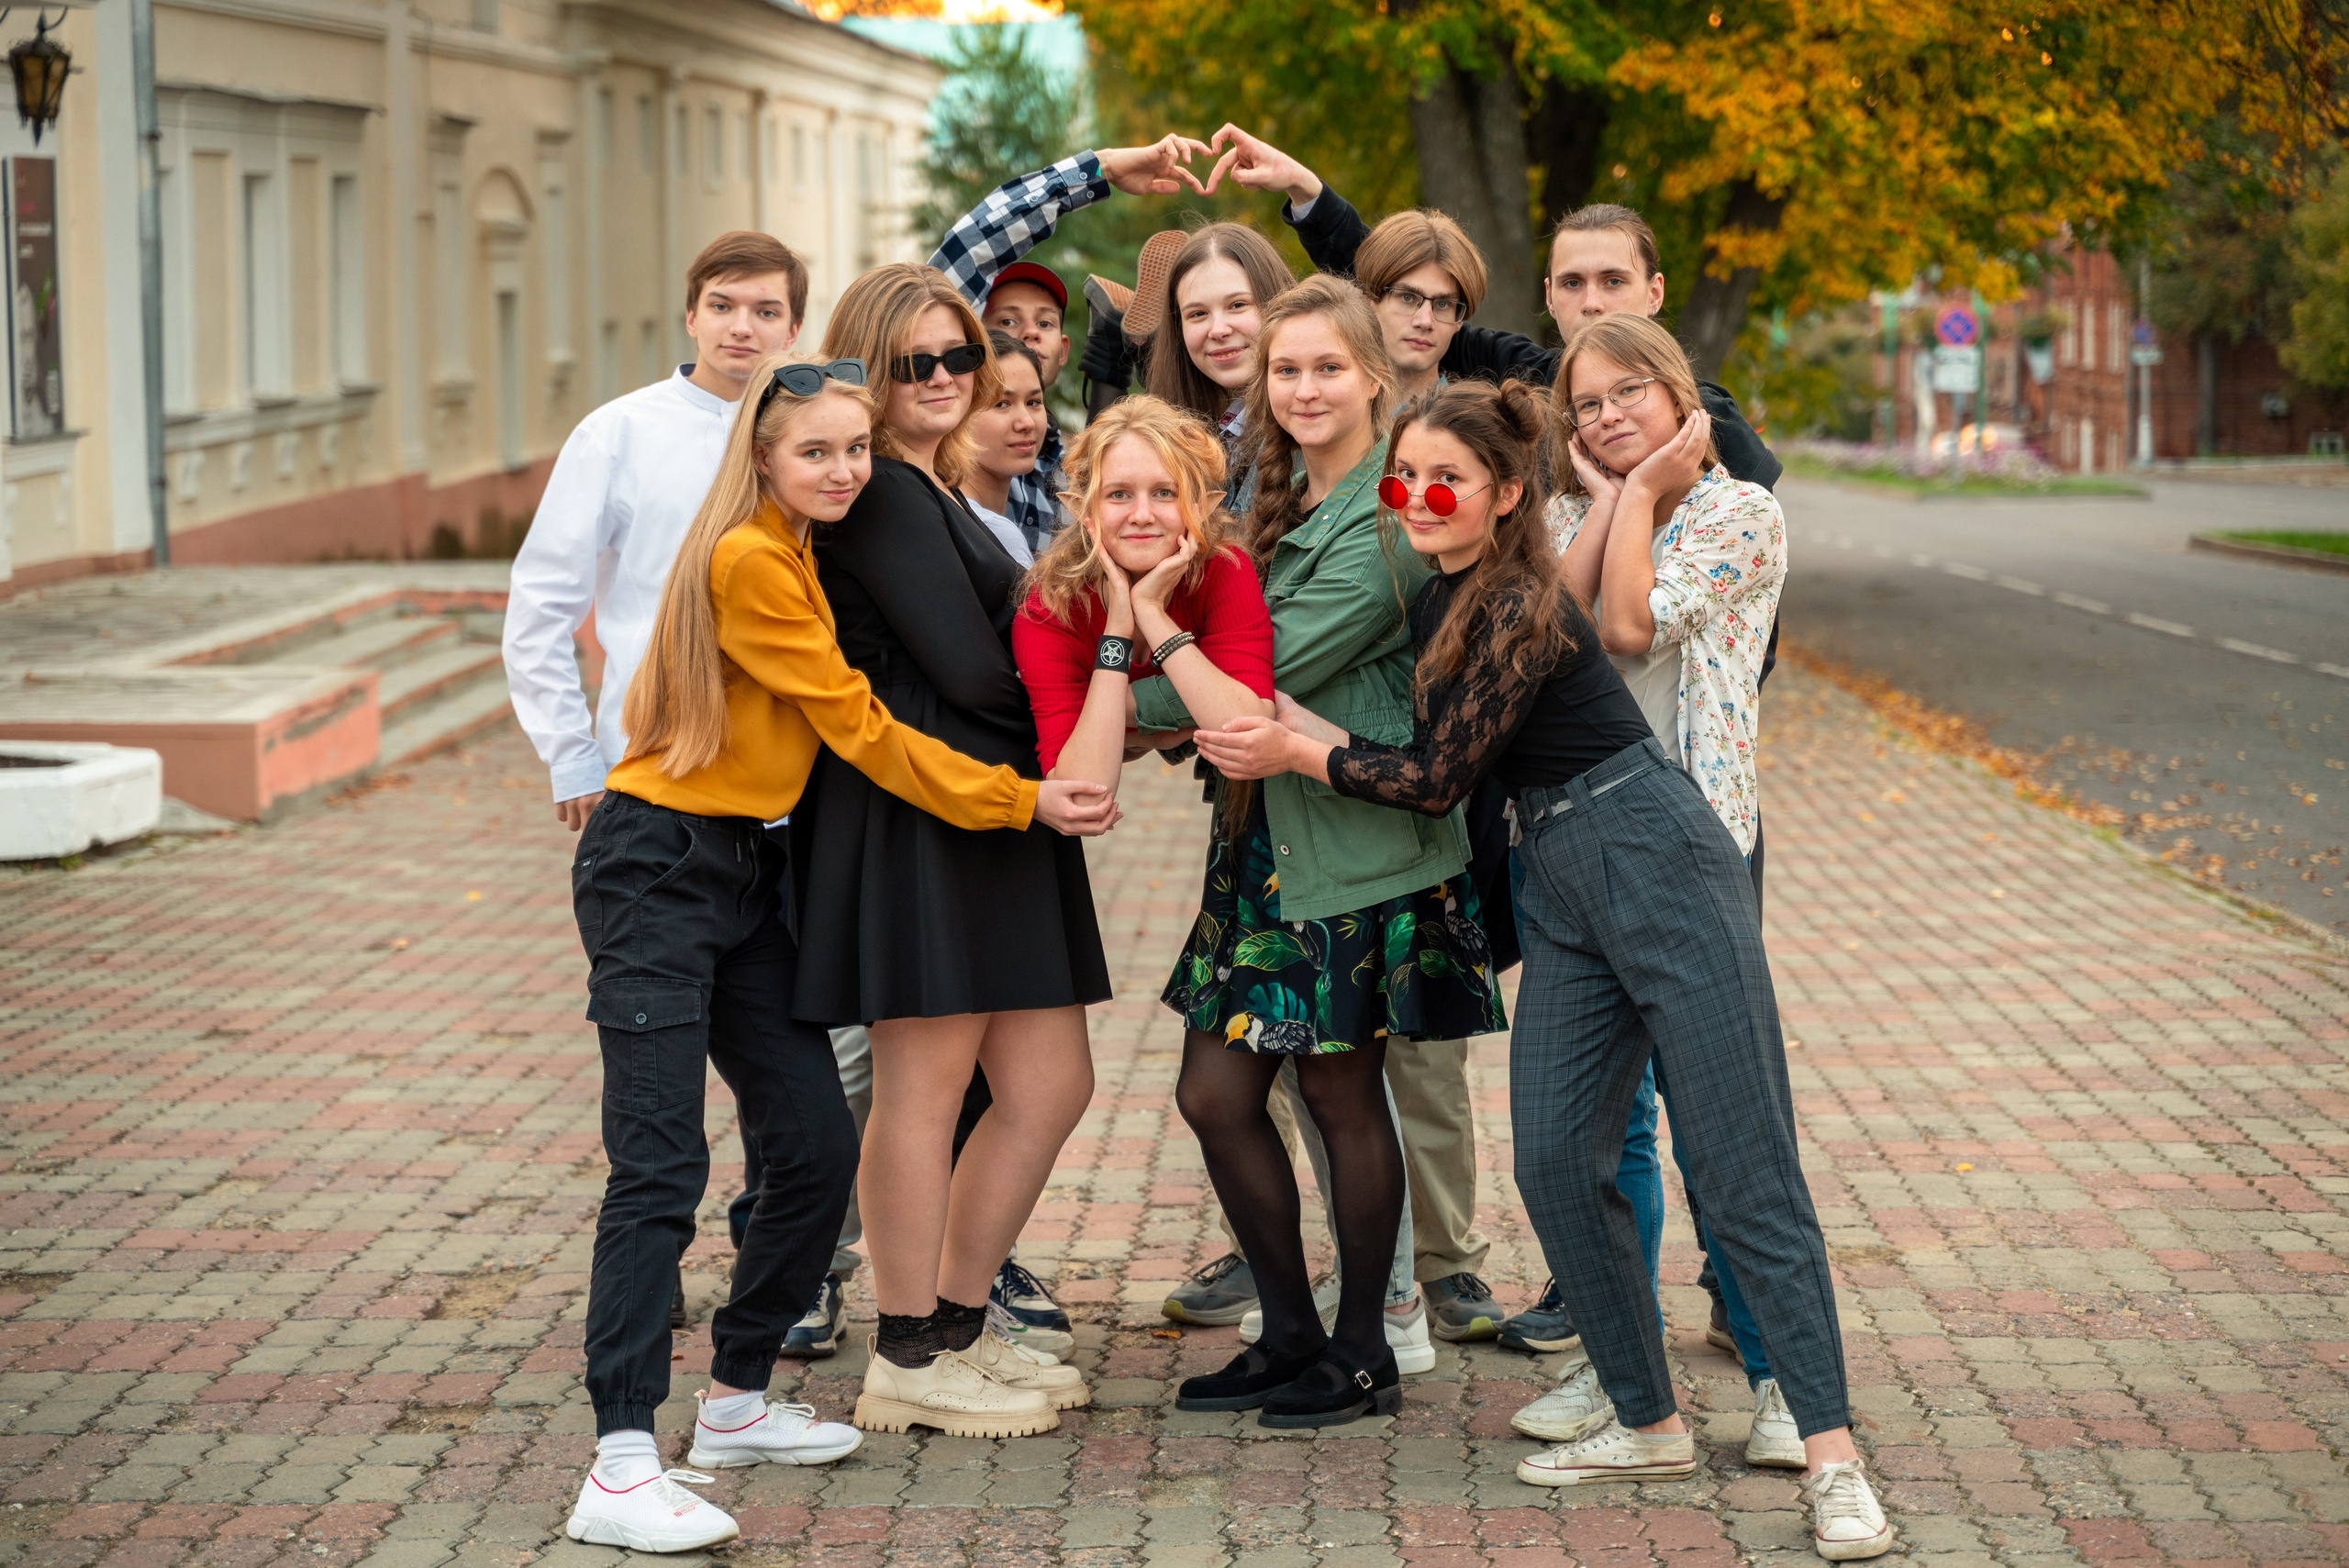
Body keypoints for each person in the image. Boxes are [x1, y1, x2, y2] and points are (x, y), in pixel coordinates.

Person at [1193, 379, 1892, 1561]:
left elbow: (1430, 776)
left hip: (1656, 850)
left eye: (1444, 480)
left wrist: (1294, 747)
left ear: (1505, 494)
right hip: (1559, 869)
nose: (1414, 498)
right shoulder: (1451, 588)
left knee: (1740, 1161)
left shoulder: (1513, 600)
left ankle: (1831, 1455)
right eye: (1400, 479)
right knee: (1560, 1158)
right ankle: (1647, 1415)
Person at [1209, 122, 1781, 1355]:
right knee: (1587, 1113)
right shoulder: (1541, 457)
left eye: (1610, 286)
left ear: (1659, 302)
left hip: (1689, 816)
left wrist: (1635, 483)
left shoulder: (1710, 464)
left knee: (1712, 1104)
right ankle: (1597, 1316)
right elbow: (1397, 301)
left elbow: (1617, 626)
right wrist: (1313, 194)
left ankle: (1758, 1332)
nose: (1586, 312)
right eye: (1568, 286)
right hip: (1540, 819)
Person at [561, 354, 1115, 1554]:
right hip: (658, 868)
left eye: (856, 449)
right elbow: (857, 727)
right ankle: (617, 1461)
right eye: (816, 450)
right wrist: (1020, 801)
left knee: (813, 1144)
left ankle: (737, 1401)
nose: (844, 469)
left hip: (753, 875)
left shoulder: (804, 545)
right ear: (760, 455)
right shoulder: (750, 559)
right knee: (657, 1169)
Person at [501, 231, 870, 1343]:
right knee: (660, 1077)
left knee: (790, 1068)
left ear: (795, 327)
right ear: (692, 314)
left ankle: (781, 1266)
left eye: (766, 310)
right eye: (723, 305)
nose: (743, 327)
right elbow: (544, 598)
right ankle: (649, 1263)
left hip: (789, 802)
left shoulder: (823, 441)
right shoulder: (621, 434)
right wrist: (573, 757)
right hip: (654, 794)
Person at [1153, 274, 1504, 1429]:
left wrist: (1112, 661)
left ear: (1373, 377)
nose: (1303, 388)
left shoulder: (1391, 513)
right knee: (1215, 1093)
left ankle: (1363, 1347)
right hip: (1266, 841)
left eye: (1324, 368)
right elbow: (1231, 678)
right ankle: (1294, 1330)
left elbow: (1257, 667)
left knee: (1343, 1094)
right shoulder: (1273, 501)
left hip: (1356, 843)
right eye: (1284, 369)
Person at [796, 264, 1108, 1439]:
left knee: (1048, 1082)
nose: (941, 379)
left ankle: (960, 1326)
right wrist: (1100, 684)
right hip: (924, 815)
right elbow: (978, 672)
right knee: (923, 1091)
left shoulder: (936, 489)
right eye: (914, 362)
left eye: (957, 358)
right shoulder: (877, 490)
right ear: (870, 372)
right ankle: (909, 1349)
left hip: (1001, 814)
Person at [927, 135, 1216, 553]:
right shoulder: (937, 436)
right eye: (1006, 321)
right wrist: (1103, 166)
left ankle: (1124, 357)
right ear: (970, 339)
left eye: (1044, 322)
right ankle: (1120, 353)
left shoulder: (1062, 466)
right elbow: (971, 248)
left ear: (1063, 350)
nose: (1028, 334)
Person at [956, 328, 1049, 568]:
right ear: (958, 412)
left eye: (1033, 402)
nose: (1026, 422)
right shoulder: (995, 533)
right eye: (1002, 404)